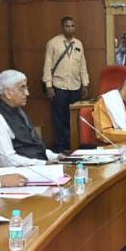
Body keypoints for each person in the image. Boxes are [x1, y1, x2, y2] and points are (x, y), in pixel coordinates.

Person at [0, 69, 62, 166]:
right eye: (22, 88)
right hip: (22, 172)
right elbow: (6, 160)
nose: (27, 93)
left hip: (38, 166)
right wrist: (43, 164)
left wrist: (56, 157)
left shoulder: (19, 111)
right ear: (8, 93)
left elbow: (34, 147)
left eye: (26, 88)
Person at [43, 16, 90, 152]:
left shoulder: (78, 44)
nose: (70, 29)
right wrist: (48, 86)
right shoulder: (53, 43)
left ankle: (71, 145)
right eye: (67, 26)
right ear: (62, 27)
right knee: (59, 118)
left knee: (72, 117)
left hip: (75, 85)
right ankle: (60, 146)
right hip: (59, 85)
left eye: (72, 26)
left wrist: (85, 84)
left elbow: (82, 65)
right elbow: (47, 65)